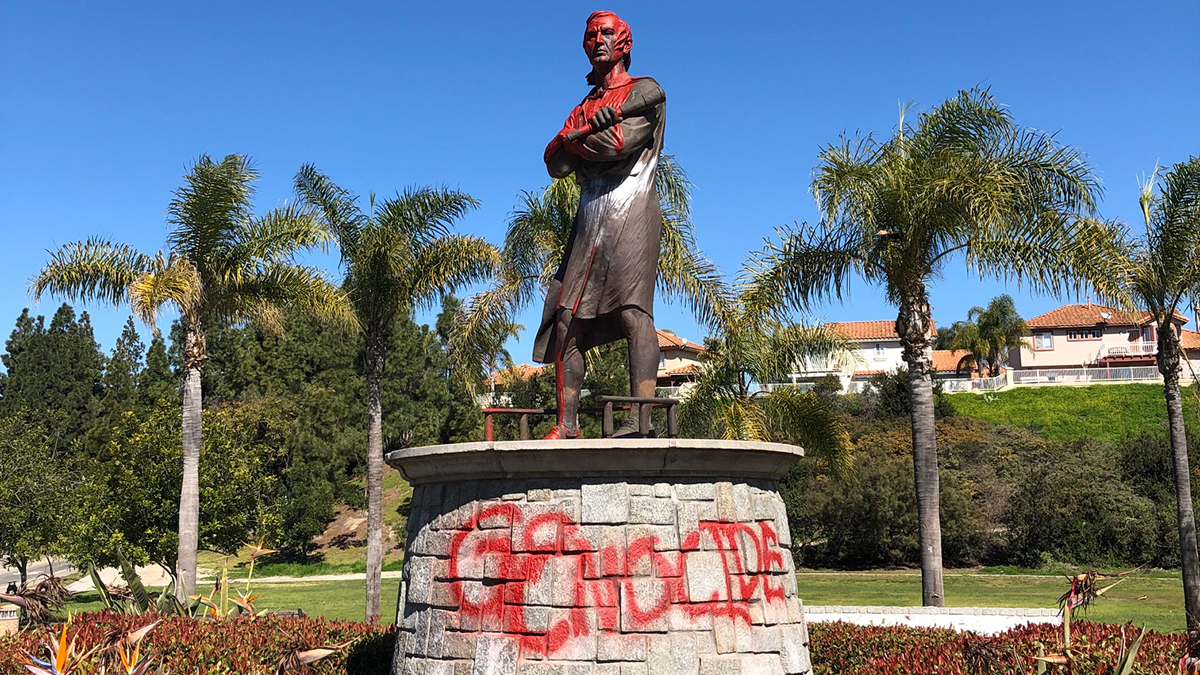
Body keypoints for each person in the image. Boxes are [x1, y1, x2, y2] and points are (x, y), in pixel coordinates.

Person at [534, 10, 666, 440]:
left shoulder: (644, 92)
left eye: (608, 33)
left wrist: (576, 138)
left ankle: (639, 417)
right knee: (567, 322)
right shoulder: (584, 106)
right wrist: (576, 137)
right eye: (591, 35)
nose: (599, 41)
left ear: (625, 43)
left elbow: (618, 143)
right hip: (590, 219)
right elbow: (555, 164)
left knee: (632, 313)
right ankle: (567, 424)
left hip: (632, 209)